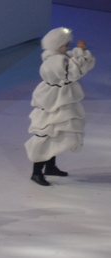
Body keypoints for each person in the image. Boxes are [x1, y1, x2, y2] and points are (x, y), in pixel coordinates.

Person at [26, 27, 95, 186]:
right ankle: (36, 172)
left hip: (60, 99)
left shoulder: (59, 57)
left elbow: (79, 67)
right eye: (65, 45)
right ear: (57, 46)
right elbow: (72, 72)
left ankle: (50, 167)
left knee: (55, 132)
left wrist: (80, 52)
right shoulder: (55, 61)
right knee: (46, 132)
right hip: (54, 100)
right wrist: (80, 51)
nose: (68, 48)